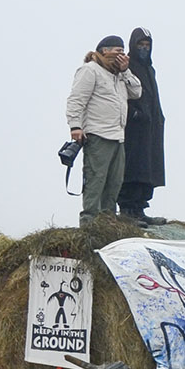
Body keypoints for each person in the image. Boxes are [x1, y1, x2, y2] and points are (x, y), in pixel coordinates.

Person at [64, 35, 142, 226]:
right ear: (104, 50)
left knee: (114, 182)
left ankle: (108, 223)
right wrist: (75, 126)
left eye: (123, 52)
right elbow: (76, 99)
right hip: (98, 134)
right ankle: (89, 223)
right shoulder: (90, 70)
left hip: (118, 136)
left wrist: (125, 72)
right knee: (96, 180)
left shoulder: (118, 75)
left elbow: (137, 92)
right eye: (118, 51)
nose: (121, 55)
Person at [117, 28, 166, 221]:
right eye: (140, 45)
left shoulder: (149, 69)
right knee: (132, 168)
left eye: (147, 46)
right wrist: (135, 114)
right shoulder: (127, 67)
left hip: (151, 129)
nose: (144, 49)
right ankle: (128, 209)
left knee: (148, 169)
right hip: (133, 128)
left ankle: (140, 209)